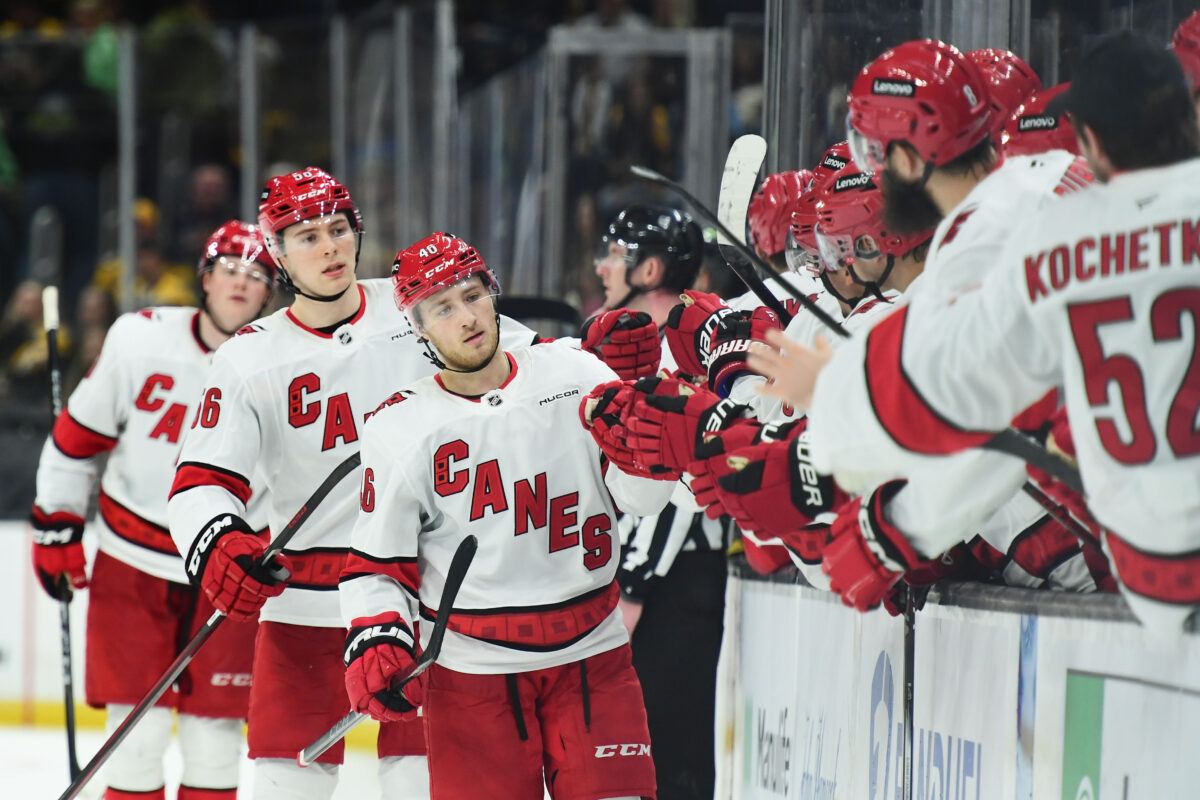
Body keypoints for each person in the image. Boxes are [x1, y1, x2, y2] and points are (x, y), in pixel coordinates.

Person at [749, 32, 1198, 631]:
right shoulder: (1058, 181)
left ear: (908, 161)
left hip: (1131, 562)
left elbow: (976, 412)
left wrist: (887, 520)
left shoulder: (991, 240)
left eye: (872, 156)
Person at [166, 169, 537, 800]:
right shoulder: (249, 356)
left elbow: (527, 364)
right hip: (304, 605)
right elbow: (199, 481)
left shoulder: (415, 304)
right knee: (285, 784)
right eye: (307, 237)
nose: (330, 248)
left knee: (420, 780)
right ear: (279, 254)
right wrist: (218, 539)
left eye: (338, 229)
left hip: (422, 597)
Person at [340, 232, 672, 799]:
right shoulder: (400, 427)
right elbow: (376, 563)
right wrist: (377, 635)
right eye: (443, 308)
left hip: (594, 655)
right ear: (418, 328)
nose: (466, 317)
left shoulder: (576, 373)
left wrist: (647, 430)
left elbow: (642, 501)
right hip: (472, 675)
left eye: (472, 296)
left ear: (492, 294)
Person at [30, 220, 275, 800]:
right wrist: (56, 524)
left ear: (271, 292)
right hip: (132, 562)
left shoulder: (286, 360)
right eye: (229, 269)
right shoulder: (139, 340)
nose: (240, 282)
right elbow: (76, 440)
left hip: (230, 571)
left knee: (214, 740)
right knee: (134, 741)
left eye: (256, 274)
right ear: (204, 279)